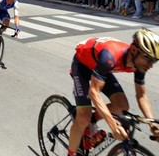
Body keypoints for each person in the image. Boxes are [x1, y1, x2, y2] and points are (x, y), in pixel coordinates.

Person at [67, 28, 159, 156]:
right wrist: (113, 126)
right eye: (148, 59)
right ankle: (71, 153)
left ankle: (92, 120)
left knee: (122, 106)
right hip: (82, 65)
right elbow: (94, 92)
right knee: (83, 116)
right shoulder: (110, 57)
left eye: (154, 61)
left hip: (100, 67)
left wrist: (153, 126)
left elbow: (142, 96)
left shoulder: (139, 64)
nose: (151, 65)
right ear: (134, 50)